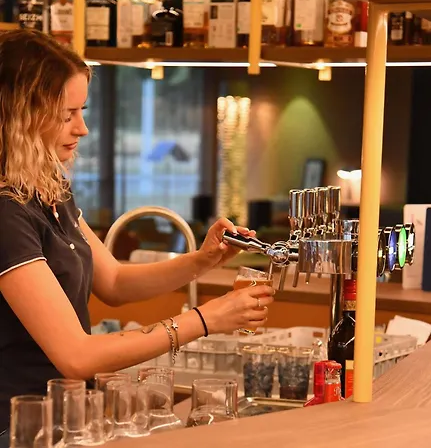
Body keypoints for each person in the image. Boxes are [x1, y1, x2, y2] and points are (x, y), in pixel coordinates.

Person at [0, 29, 275, 443]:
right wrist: (206, 320)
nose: (83, 128)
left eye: (82, 110)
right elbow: (77, 355)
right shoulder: (7, 212)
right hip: (18, 429)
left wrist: (201, 261)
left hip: (62, 420)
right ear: (22, 116)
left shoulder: (48, 191)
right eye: (67, 114)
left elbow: (113, 281)